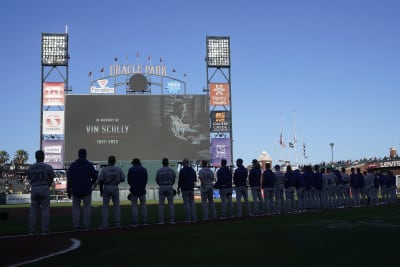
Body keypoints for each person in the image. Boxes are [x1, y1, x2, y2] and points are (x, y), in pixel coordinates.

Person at [67, 148, 98, 231]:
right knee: (87, 207)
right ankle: (86, 225)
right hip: (86, 188)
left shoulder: (73, 165)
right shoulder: (88, 164)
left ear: (78, 154)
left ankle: (76, 225)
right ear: (85, 154)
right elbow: (95, 176)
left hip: (75, 188)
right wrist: (91, 184)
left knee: (76, 207)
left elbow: (69, 178)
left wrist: (68, 190)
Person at [27, 150, 55, 235]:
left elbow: (29, 178)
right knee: (45, 210)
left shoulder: (31, 167)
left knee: (33, 211)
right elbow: (52, 178)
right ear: (43, 157)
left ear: (36, 157)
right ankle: (45, 230)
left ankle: (32, 230)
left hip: (35, 187)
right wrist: (48, 185)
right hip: (44, 187)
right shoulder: (48, 166)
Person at [98, 155, 125, 228]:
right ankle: (117, 223)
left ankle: (104, 224)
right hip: (115, 187)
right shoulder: (118, 169)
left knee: (105, 206)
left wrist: (101, 191)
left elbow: (101, 181)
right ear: (114, 161)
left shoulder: (105, 169)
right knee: (116, 206)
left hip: (107, 187)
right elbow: (123, 179)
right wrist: (117, 179)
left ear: (108, 161)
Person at [127, 158, 148, 226]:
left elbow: (129, 180)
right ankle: (145, 221)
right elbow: (145, 180)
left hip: (134, 189)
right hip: (142, 189)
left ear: (134, 163)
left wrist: (132, 186)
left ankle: (135, 222)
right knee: (143, 205)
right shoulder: (144, 169)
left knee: (134, 206)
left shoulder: (131, 169)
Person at [155, 158, 176, 224]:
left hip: (162, 186)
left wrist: (160, 184)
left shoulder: (159, 170)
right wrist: (170, 184)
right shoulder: (171, 170)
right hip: (169, 186)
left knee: (161, 205)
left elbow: (157, 180)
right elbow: (173, 179)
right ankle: (172, 220)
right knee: (171, 204)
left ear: (162, 163)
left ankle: (161, 220)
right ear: (168, 163)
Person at [178, 158, 197, 222]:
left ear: (183, 163)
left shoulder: (182, 170)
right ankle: (194, 218)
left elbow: (180, 180)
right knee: (192, 203)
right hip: (191, 188)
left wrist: (178, 187)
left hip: (184, 189)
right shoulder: (192, 170)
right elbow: (195, 179)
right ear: (188, 163)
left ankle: (188, 218)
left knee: (186, 204)